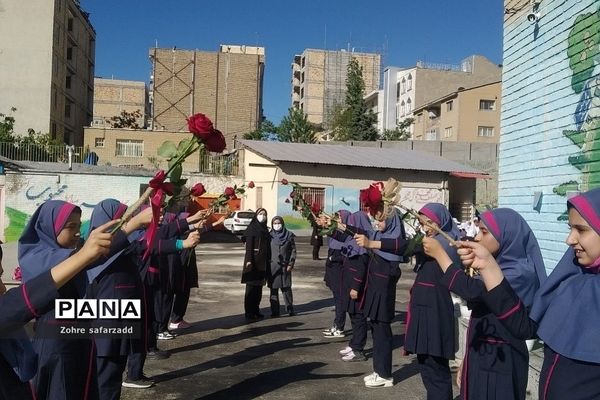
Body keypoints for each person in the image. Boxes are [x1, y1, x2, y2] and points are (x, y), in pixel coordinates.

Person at [458, 189, 600, 400]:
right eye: (570, 228)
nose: (569, 239)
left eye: (581, 230)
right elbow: (525, 327)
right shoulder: (574, 276)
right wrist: (487, 266)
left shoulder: (523, 272)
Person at [422, 208, 546, 400]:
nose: (478, 237)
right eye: (478, 231)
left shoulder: (519, 273)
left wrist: (441, 255)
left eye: (484, 232)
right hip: (484, 354)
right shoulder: (500, 265)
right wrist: (468, 358)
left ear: (507, 235)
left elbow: (472, 290)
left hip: (502, 360)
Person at [0, 221, 117, 400]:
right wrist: (83, 256)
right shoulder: (38, 258)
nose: (78, 233)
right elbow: (19, 302)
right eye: (71, 226)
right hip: (56, 345)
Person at [85, 199, 152, 399]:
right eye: (123, 218)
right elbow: (103, 253)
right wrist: (134, 224)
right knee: (105, 385)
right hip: (107, 331)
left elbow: (151, 243)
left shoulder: (121, 245)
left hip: (119, 328)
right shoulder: (95, 249)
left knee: (111, 383)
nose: (127, 221)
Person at [401, 203, 461, 399]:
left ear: (441, 222)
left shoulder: (445, 244)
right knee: (427, 366)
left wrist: (373, 243)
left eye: (430, 223)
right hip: (425, 311)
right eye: (422, 223)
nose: (425, 228)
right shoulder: (434, 242)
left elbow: (404, 247)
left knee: (436, 369)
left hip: (435, 313)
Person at [352, 211, 406, 388]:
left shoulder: (394, 243)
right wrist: (335, 226)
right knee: (376, 329)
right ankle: (379, 370)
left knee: (382, 331)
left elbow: (394, 246)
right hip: (374, 289)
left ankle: (384, 374)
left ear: (391, 221)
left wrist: (371, 244)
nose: (377, 222)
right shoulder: (378, 237)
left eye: (382, 219)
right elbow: (358, 232)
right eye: (376, 218)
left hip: (382, 293)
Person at [322, 210, 351, 338]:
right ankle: (336, 324)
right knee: (336, 298)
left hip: (340, 272)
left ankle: (339, 326)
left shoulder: (347, 236)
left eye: (339, 218)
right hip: (332, 271)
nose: (337, 220)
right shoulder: (336, 235)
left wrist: (334, 259)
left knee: (340, 300)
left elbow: (346, 255)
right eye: (336, 217)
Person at [242, 208, 271, 321]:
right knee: (250, 288)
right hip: (252, 262)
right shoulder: (252, 228)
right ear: (256, 215)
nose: (262, 216)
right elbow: (248, 247)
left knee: (258, 289)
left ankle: (256, 310)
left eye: (264, 214)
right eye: (260, 214)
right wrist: (249, 260)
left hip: (262, 263)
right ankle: (249, 312)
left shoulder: (265, 229)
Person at [267, 216, 297, 317]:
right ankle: (275, 311)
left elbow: (293, 250)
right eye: (274, 223)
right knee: (273, 290)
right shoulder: (269, 236)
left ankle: (290, 309)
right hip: (273, 267)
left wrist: (291, 264)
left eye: (278, 223)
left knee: (286, 289)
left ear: (282, 223)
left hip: (285, 267)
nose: (277, 225)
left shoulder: (289, 235)